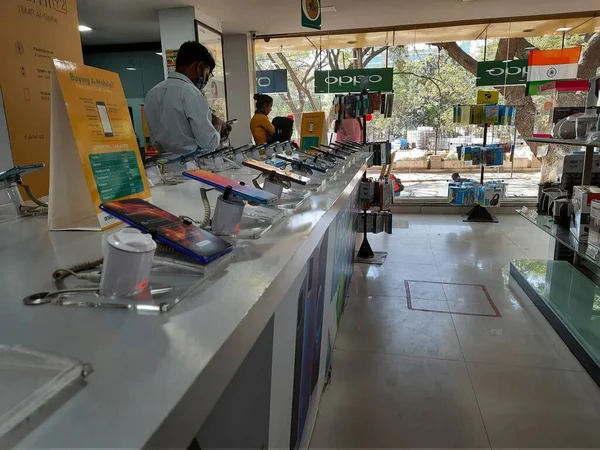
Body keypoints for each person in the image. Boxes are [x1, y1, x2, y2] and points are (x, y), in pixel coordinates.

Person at [144, 41, 227, 155]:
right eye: (208, 73)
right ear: (200, 66)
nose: (207, 79)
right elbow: (209, 143)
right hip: (193, 165)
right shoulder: (192, 93)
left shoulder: (152, 93)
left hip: (163, 166)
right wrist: (218, 124)